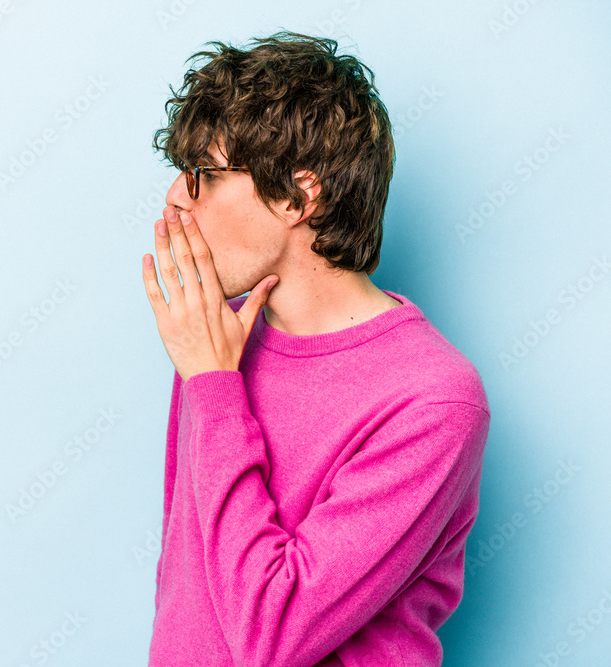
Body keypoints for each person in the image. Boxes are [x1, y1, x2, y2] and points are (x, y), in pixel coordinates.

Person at [140, 30, 491, 666]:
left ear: (301, 196)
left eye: (204, 176)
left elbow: (274, 636)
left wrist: (214, 388)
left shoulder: (434, 402)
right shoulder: (218, 335)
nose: (175, 197)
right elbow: (189, 582)